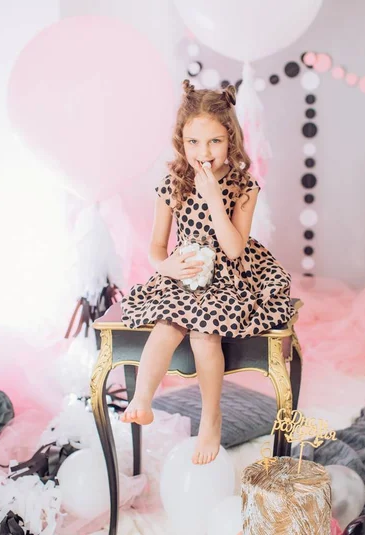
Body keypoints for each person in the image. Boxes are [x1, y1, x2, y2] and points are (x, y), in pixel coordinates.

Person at [120, 79, 295, 465]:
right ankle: (142, 399)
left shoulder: (243, 186)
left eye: (214, 141)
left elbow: (234, 248)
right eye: (193, 142)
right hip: (185, 275)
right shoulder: (172, 185)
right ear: (181, 142)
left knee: (204, 335)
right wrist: (165, 265)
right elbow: (155, 246)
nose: (204, 152)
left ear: (231, 140)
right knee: (166, 328)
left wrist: (215, 197)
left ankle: (210, 418)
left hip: (228, 277)